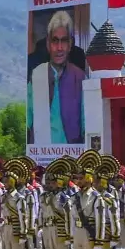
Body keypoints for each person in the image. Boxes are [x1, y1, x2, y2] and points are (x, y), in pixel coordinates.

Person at [27, 9, 86, 146]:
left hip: (72, 154)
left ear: (70, 44)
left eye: (64, 41)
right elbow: (27, 121)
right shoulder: (37, 75)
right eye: (55, 41)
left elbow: (86, 125)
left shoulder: (80, 78)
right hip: (42, 154)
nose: (59, 48)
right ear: (48, 44)